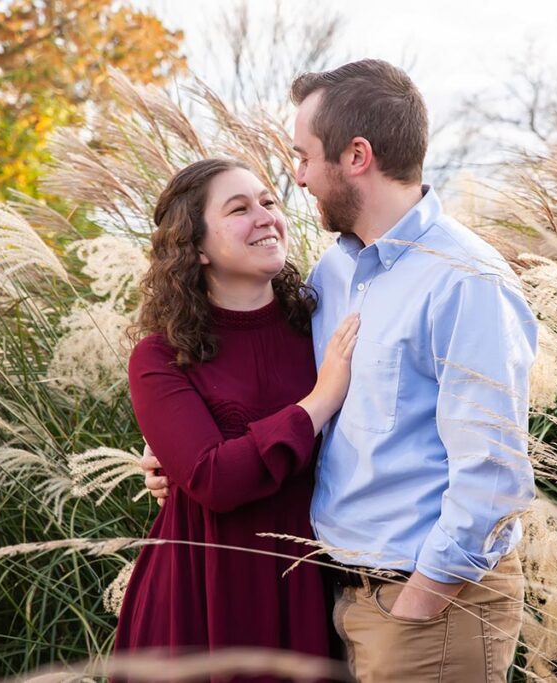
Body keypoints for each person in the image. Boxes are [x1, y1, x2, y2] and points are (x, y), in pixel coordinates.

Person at [143, 59, 538, 682]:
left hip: (421, 607)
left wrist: (419, 604)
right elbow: (280, 402)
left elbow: (493, 475)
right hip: (334, 596)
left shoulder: (466, 280)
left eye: (303, 158)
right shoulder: (334, 276)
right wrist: (179, 451)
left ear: (356, 156)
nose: (297, 181)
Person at [117, 157, 359, 681]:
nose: (265, 216)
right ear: (196, 246)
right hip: (198, 595)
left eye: (269, 202)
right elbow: (212, 479)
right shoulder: (161, 356)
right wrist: (320, 401)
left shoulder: (322, 327)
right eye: (239, 209)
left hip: (308, 589)